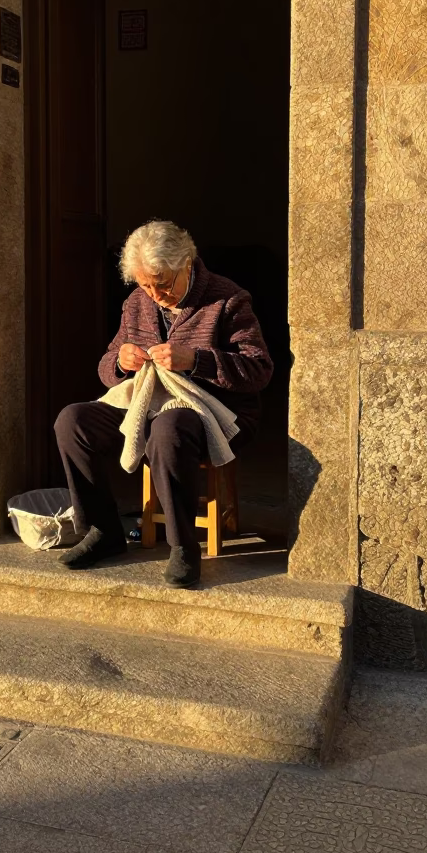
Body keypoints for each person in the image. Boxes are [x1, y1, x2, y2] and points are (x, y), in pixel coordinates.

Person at [54, 220, 273, 588]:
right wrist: (121, 362)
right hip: (146, 403)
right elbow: (107, 369)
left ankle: (184, 547)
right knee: (71, 421)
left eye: (163, 284)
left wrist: (196, 360)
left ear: (187, 264)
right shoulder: (137, 303)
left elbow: (259, 369)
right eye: (145, 285)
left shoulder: (229, 300)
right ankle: (103, 531)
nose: (155, 294)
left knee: (168, 428)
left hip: (212, 411)